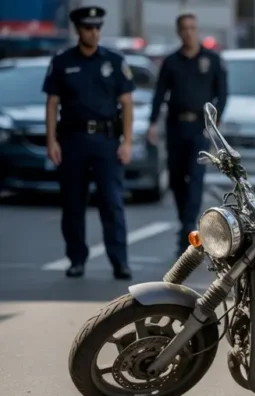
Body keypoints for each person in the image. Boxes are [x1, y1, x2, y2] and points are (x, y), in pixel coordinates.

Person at [43, 6, 135, 280]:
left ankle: (120, 262)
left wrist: (127, 142)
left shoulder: (114, 61)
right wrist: (51, 141)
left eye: (97, 28)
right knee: (73, 204)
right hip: (72, 141)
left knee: (112, 202)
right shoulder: (62, 62)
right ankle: (76, 259)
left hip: (107, 142)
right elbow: (52, 104)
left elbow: (127, 103)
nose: (93, 32)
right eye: (88, 28)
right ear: (77, 30)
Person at [148, 13, 228, 253]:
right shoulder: (171, 62)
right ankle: (184, 219)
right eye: (185, 28)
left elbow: (221, 94)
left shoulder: (212, 60)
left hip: (200, 129)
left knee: (195, 177)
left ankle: (187, 227)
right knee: (176, 177)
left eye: (193, 27)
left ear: (197, 30)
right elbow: (160, 93)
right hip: (176, 126)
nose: (189, 32)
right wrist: (153, 122)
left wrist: (214, 124)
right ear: (179, 32)